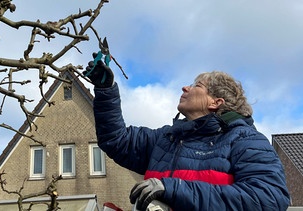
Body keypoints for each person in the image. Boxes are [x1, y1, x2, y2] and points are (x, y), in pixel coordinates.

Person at [83, 55, 290, 211]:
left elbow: (268, 198)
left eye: (196, 86)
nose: (184, 88)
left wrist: (174, 189)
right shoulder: (167, 139)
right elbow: (117, 140)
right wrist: (106, 90)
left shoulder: (245, 140)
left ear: (215, 102)